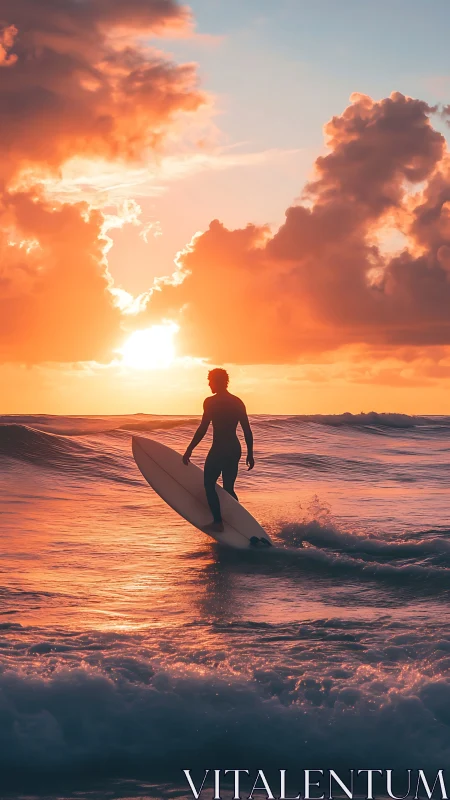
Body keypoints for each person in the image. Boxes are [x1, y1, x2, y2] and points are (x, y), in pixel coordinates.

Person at [182, 368, 254, 534]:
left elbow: (203, 428)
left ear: (216, 381)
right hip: (234, 448)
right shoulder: (237, 402)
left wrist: (189, 449)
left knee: (209, 484)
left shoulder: (210, 402)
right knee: (228, 487)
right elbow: (247, 430)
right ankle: (241, 523)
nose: (209, 384)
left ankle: (218, 522)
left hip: (219, 448)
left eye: (210, 381)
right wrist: (250, 453)